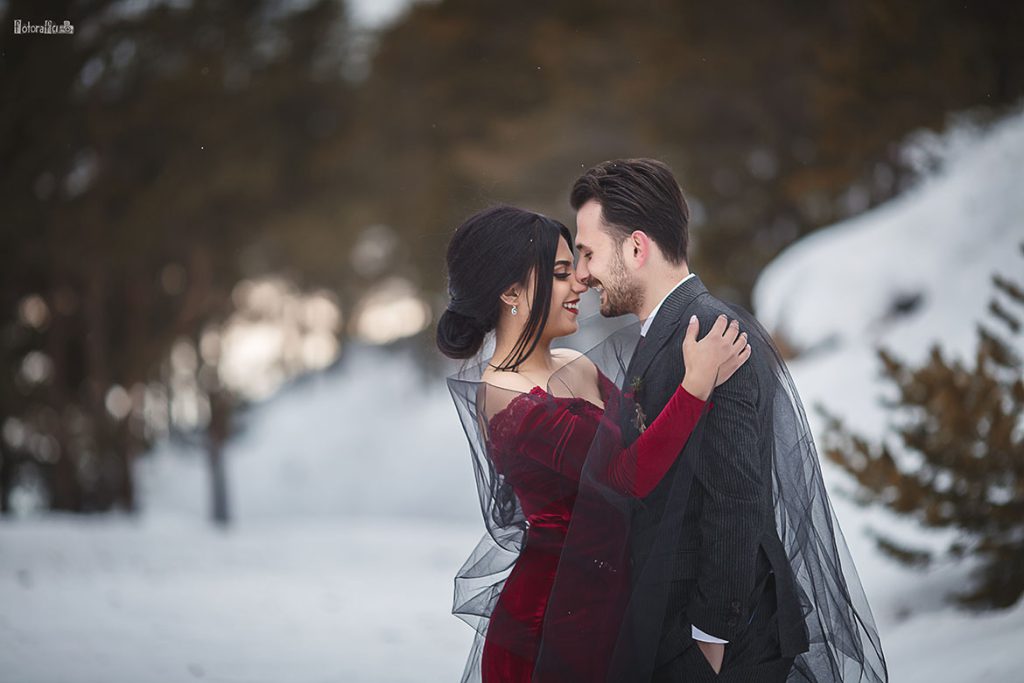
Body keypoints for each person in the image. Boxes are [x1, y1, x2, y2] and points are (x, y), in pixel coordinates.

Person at [563, 158, 886, 682]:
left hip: (728, 645)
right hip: (681, 630)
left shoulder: (712, 334)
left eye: (588, 253)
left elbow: (736, 497)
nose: (581, 274)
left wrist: (709, 640)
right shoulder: (671, 332)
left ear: (637, 248)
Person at [438, 205, 750, 682]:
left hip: (614, 610)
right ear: (510, 291)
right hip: (550, 628)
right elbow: (625, 477)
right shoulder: (505, 394)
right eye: (562, 273)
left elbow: (644, 438)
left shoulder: (573, 363)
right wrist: (695, 386)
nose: (581, 282)